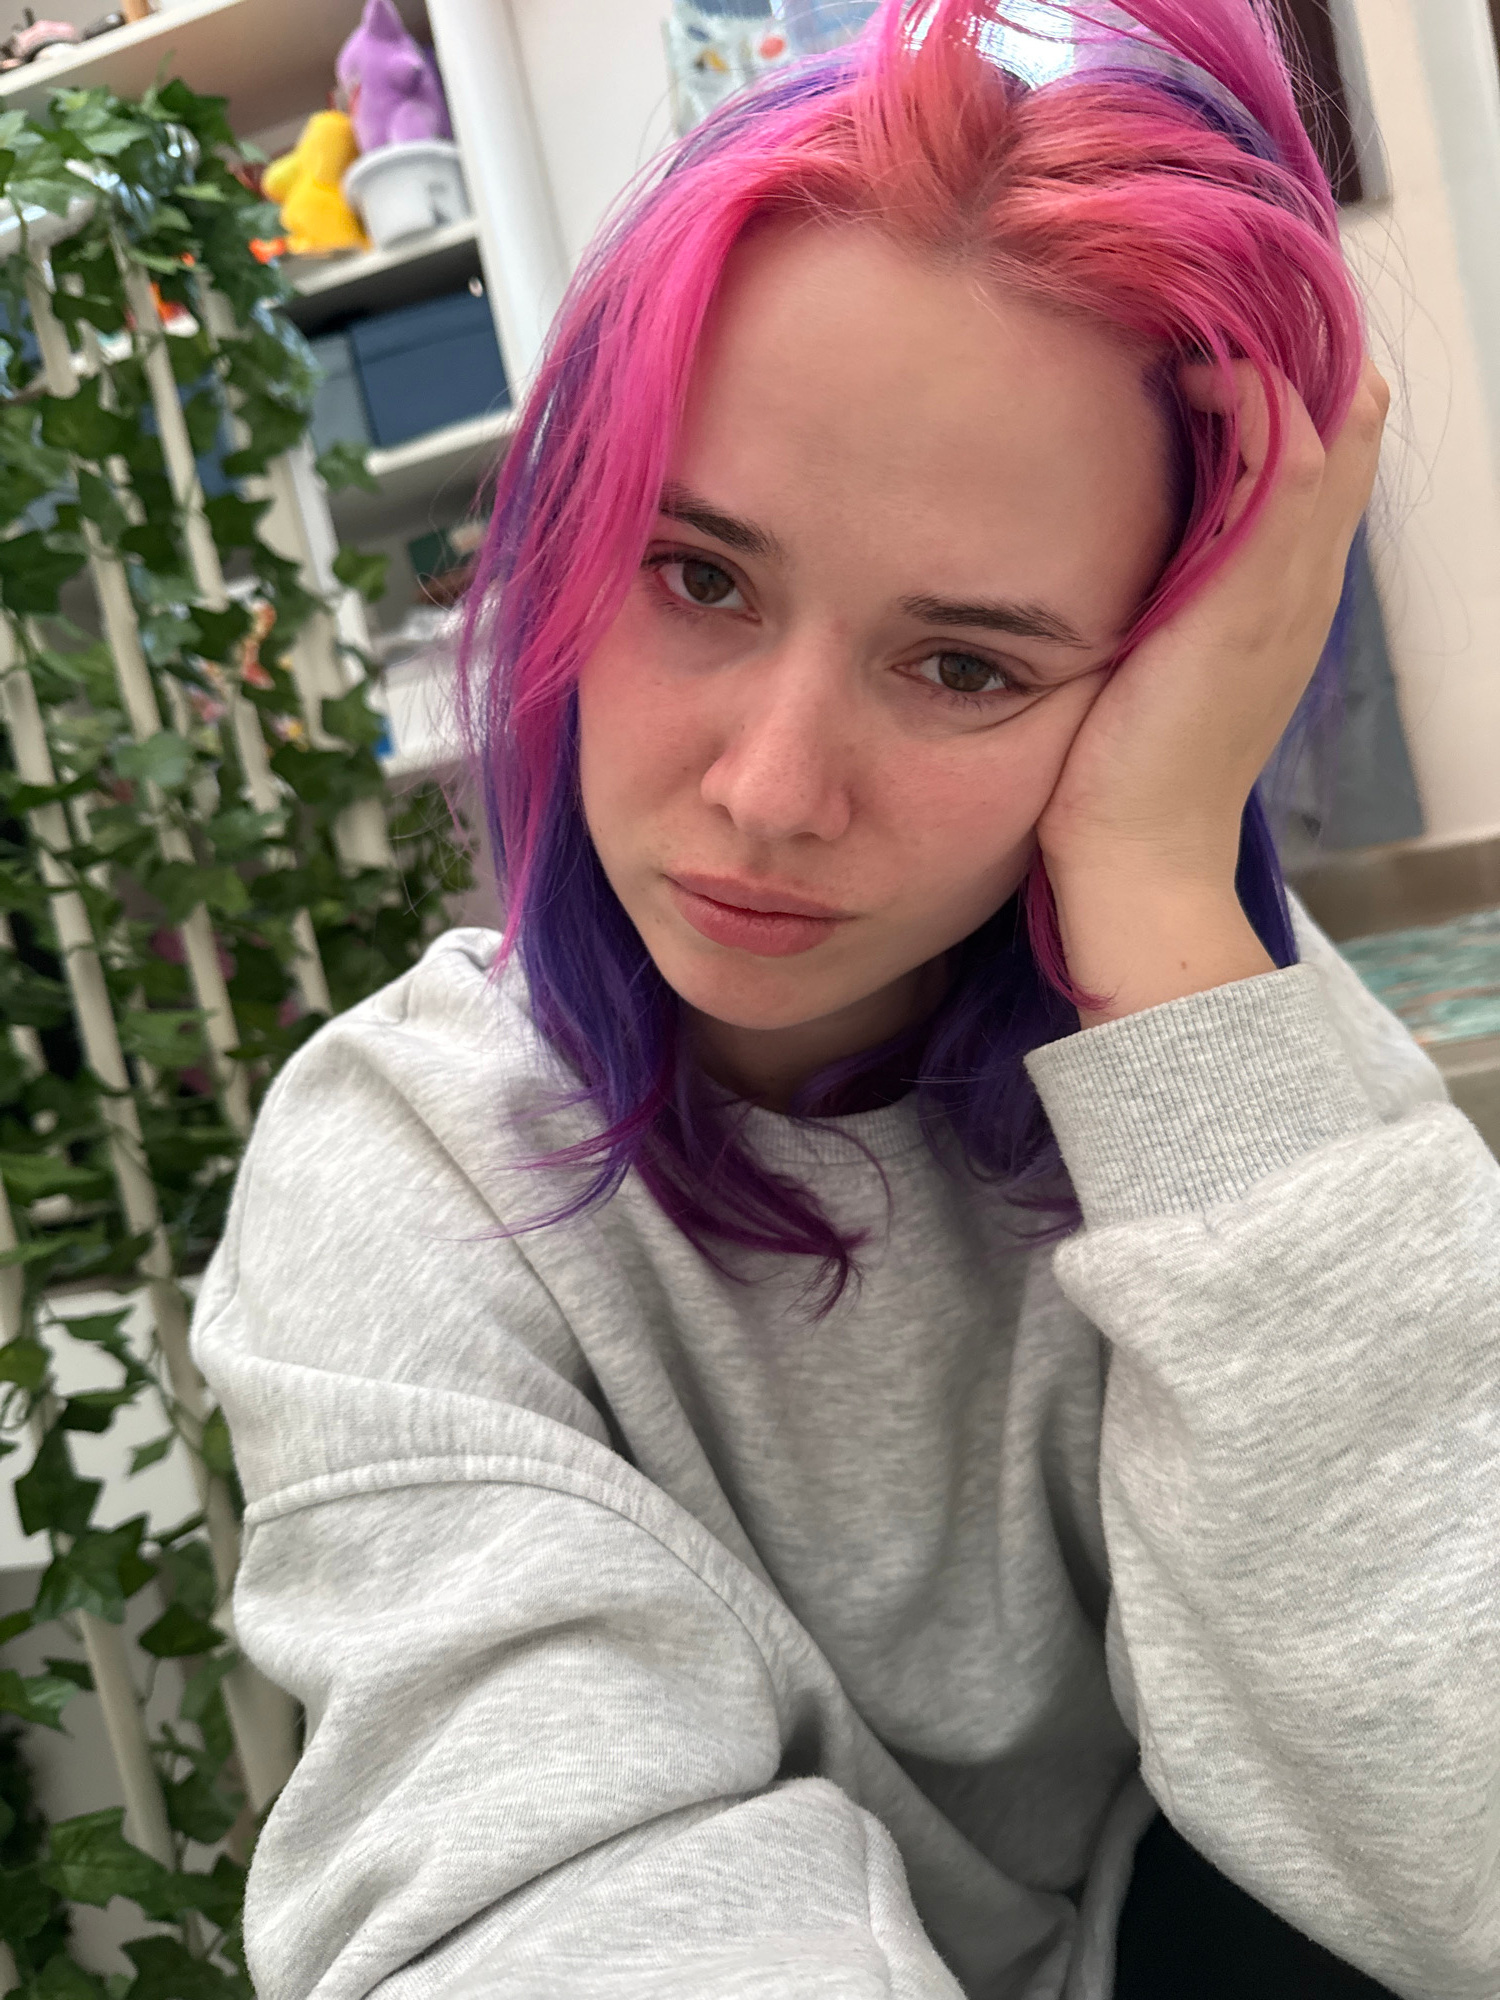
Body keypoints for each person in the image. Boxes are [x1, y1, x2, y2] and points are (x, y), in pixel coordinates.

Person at [191, 3, 1500, 1996]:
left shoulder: (1216, 1058)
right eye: (699, 576)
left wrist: (1164, 883)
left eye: (967, 665)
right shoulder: (405, 1173)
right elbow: (542, 1879)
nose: (773, 791)